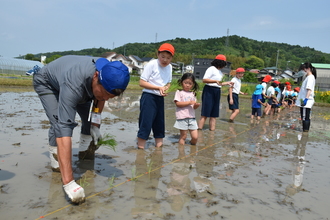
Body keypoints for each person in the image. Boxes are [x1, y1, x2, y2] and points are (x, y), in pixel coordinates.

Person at [33, 55, 130, 203]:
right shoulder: (75, 83)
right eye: (104, 93)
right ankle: (56, 164)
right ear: (96, 77)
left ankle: (85, 155)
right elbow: (65, 129)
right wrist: (69, 182)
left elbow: (100, 99)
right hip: (48, 83)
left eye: (110, 96)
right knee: (58, 123)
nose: (106, 98)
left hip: (84, 86)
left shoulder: (107, 72)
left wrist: (95, 126)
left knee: (88, 120)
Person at [137, 43, 175, 149]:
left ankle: (159, 147)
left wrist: (166, 88)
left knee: (159, 122)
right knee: (146, 122)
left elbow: (169, 82)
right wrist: (158, 88)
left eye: (168, 58)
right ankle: (140, 148)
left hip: (160, 98)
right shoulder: (152, 64)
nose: (165, 60)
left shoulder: (170, 67)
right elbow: (141, 82)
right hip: (149, 96)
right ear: (158, 54)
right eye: (162, 57)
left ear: (171, 58)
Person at [198, 54, 233, 130]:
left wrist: (227, 83)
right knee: (205, 112)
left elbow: (219, 83)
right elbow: (204, 80)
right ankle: (199, 130)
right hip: (209, 90)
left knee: (214, 113)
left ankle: (212, 132)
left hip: (217, 91)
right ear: (220, 63)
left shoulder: (220, 72)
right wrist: (215, 81)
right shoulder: (211, 69)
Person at [173, 73, 200, 145]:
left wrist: (196, 105)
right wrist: (189, 102)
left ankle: (192, 149)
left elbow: (193, 107)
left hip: (192, 117)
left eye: (190, 83)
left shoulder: (193, 93)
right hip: (182, 117)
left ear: (193, 84)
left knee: (195, 137)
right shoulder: (179, 92)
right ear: (182, 82)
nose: (187, 85)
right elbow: (178, 104)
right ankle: (181, 153)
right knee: (183, 136)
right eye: (185, 83)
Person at [295, 62, 317, 132]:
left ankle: (305, 131)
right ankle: (305, 130)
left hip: (306, 100)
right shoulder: (308, 77)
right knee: (304, 116)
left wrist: (306, 99)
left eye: (304, 69)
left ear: (308, 69)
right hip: (304, 99)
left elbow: (309, 89)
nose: (303, 71)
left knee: (305, 117)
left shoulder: (310, 78)